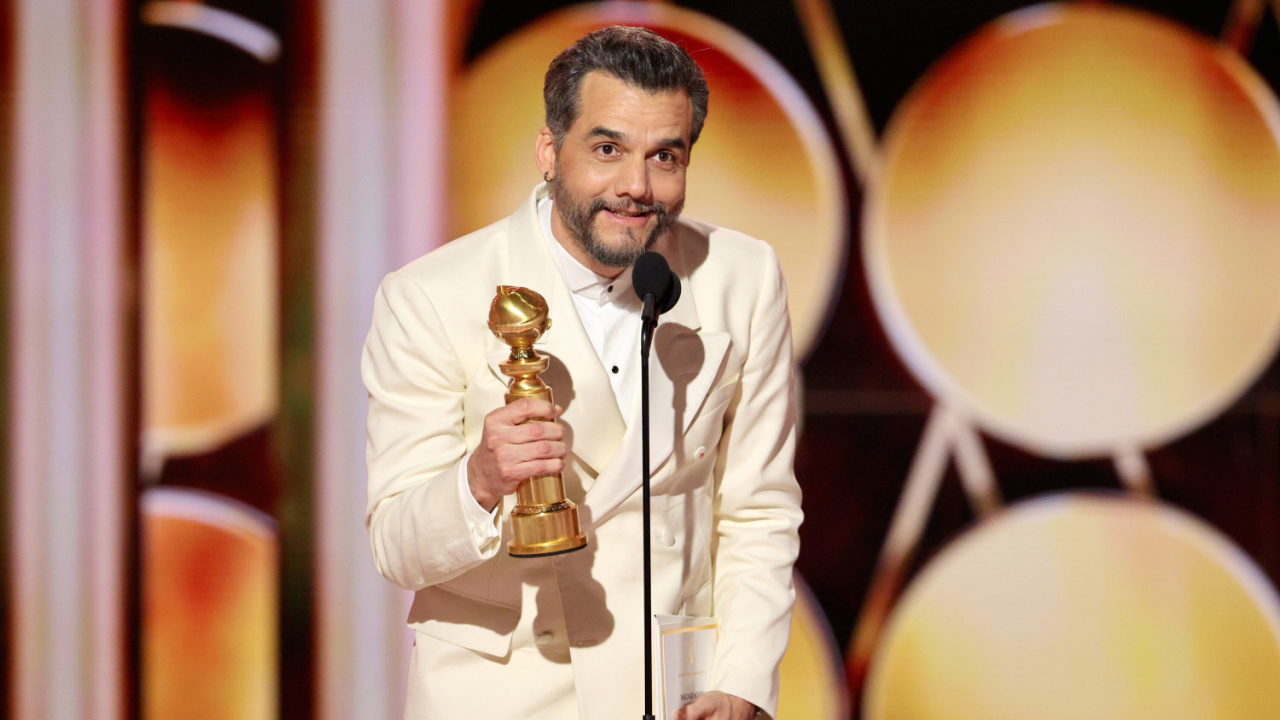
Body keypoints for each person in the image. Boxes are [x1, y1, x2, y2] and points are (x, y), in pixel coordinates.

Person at [362, 25, 802, 720]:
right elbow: (396, 548)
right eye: (607, 150)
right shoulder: (428, 295)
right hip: (503, 699)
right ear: (548, 150)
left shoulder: (742, 276)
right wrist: (479, 481)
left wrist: (743, 677)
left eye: (666, 156)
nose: (635, 187)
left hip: (676, 692)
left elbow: (758, 508)